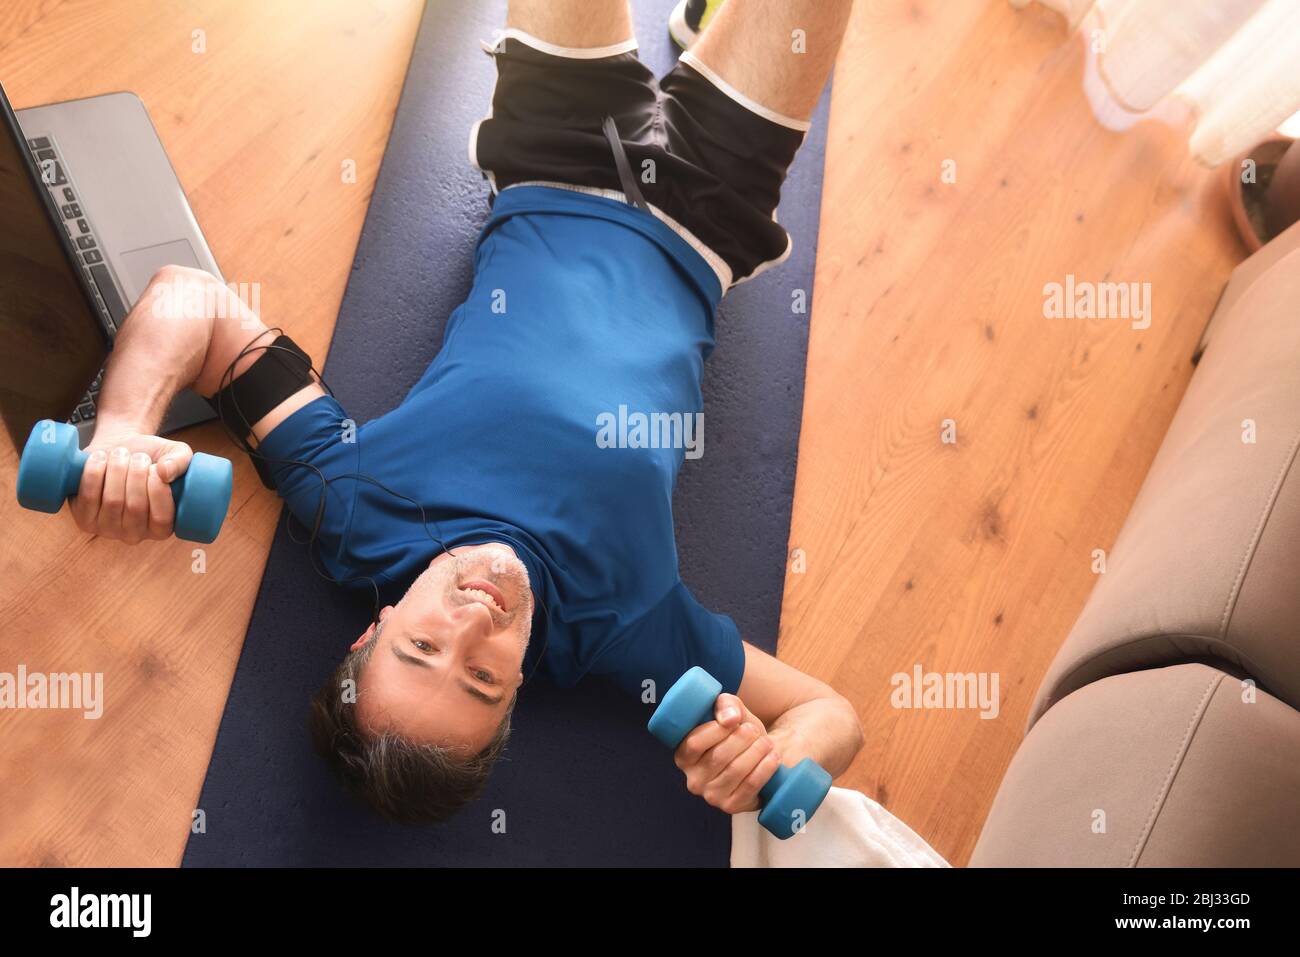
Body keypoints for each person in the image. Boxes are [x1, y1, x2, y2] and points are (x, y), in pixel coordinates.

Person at [68, 0, 862, 824]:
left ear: (373, 628)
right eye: (482, 678)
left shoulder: (352, 510)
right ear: (516, 692)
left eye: (422, 647)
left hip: (558, 149)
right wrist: (775, 751)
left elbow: (189, 303)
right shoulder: (624, 634)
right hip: (711, 212)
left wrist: (123, 430)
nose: (474, 624)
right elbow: (832, 712)